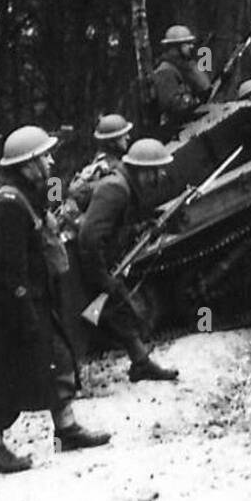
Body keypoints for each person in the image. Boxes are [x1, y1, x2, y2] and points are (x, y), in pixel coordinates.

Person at [0, 126, 112, 473]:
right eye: (43, 156)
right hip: (9, 305)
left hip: (33, 296)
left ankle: (67, 429)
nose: (50, 160)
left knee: (57, 359)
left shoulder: (23, 196)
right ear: (27, 164)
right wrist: (23, 307)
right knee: (3, 373)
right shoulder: (8, 205)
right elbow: (7, 266)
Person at [77, 138, 181, 382]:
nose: (161, 175)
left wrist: (144, 228)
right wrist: (102, 278)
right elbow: (89, 238)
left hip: (95, 260)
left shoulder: (125, 187)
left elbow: (114, 230)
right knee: (78, 320)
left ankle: (141, 364)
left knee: (117, 311)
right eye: (157, 169)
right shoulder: (116, 189)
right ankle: (66, 383)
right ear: (143, 172)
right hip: (82, 263)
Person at [56, 113, 132, 240]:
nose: (128, 138)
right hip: (81, 230)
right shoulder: (109, 168)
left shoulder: (100, 161)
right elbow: (60, 189)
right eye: (122, 136)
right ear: (112, 142)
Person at [153, 24, 211, 131]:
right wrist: (194, 100)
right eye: (187, 44)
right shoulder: (166, 71)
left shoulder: (184, 67)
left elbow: (204, 87)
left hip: (190, 124)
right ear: (175, 48)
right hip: (175, 129)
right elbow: (172, 106)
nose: (191, 47)